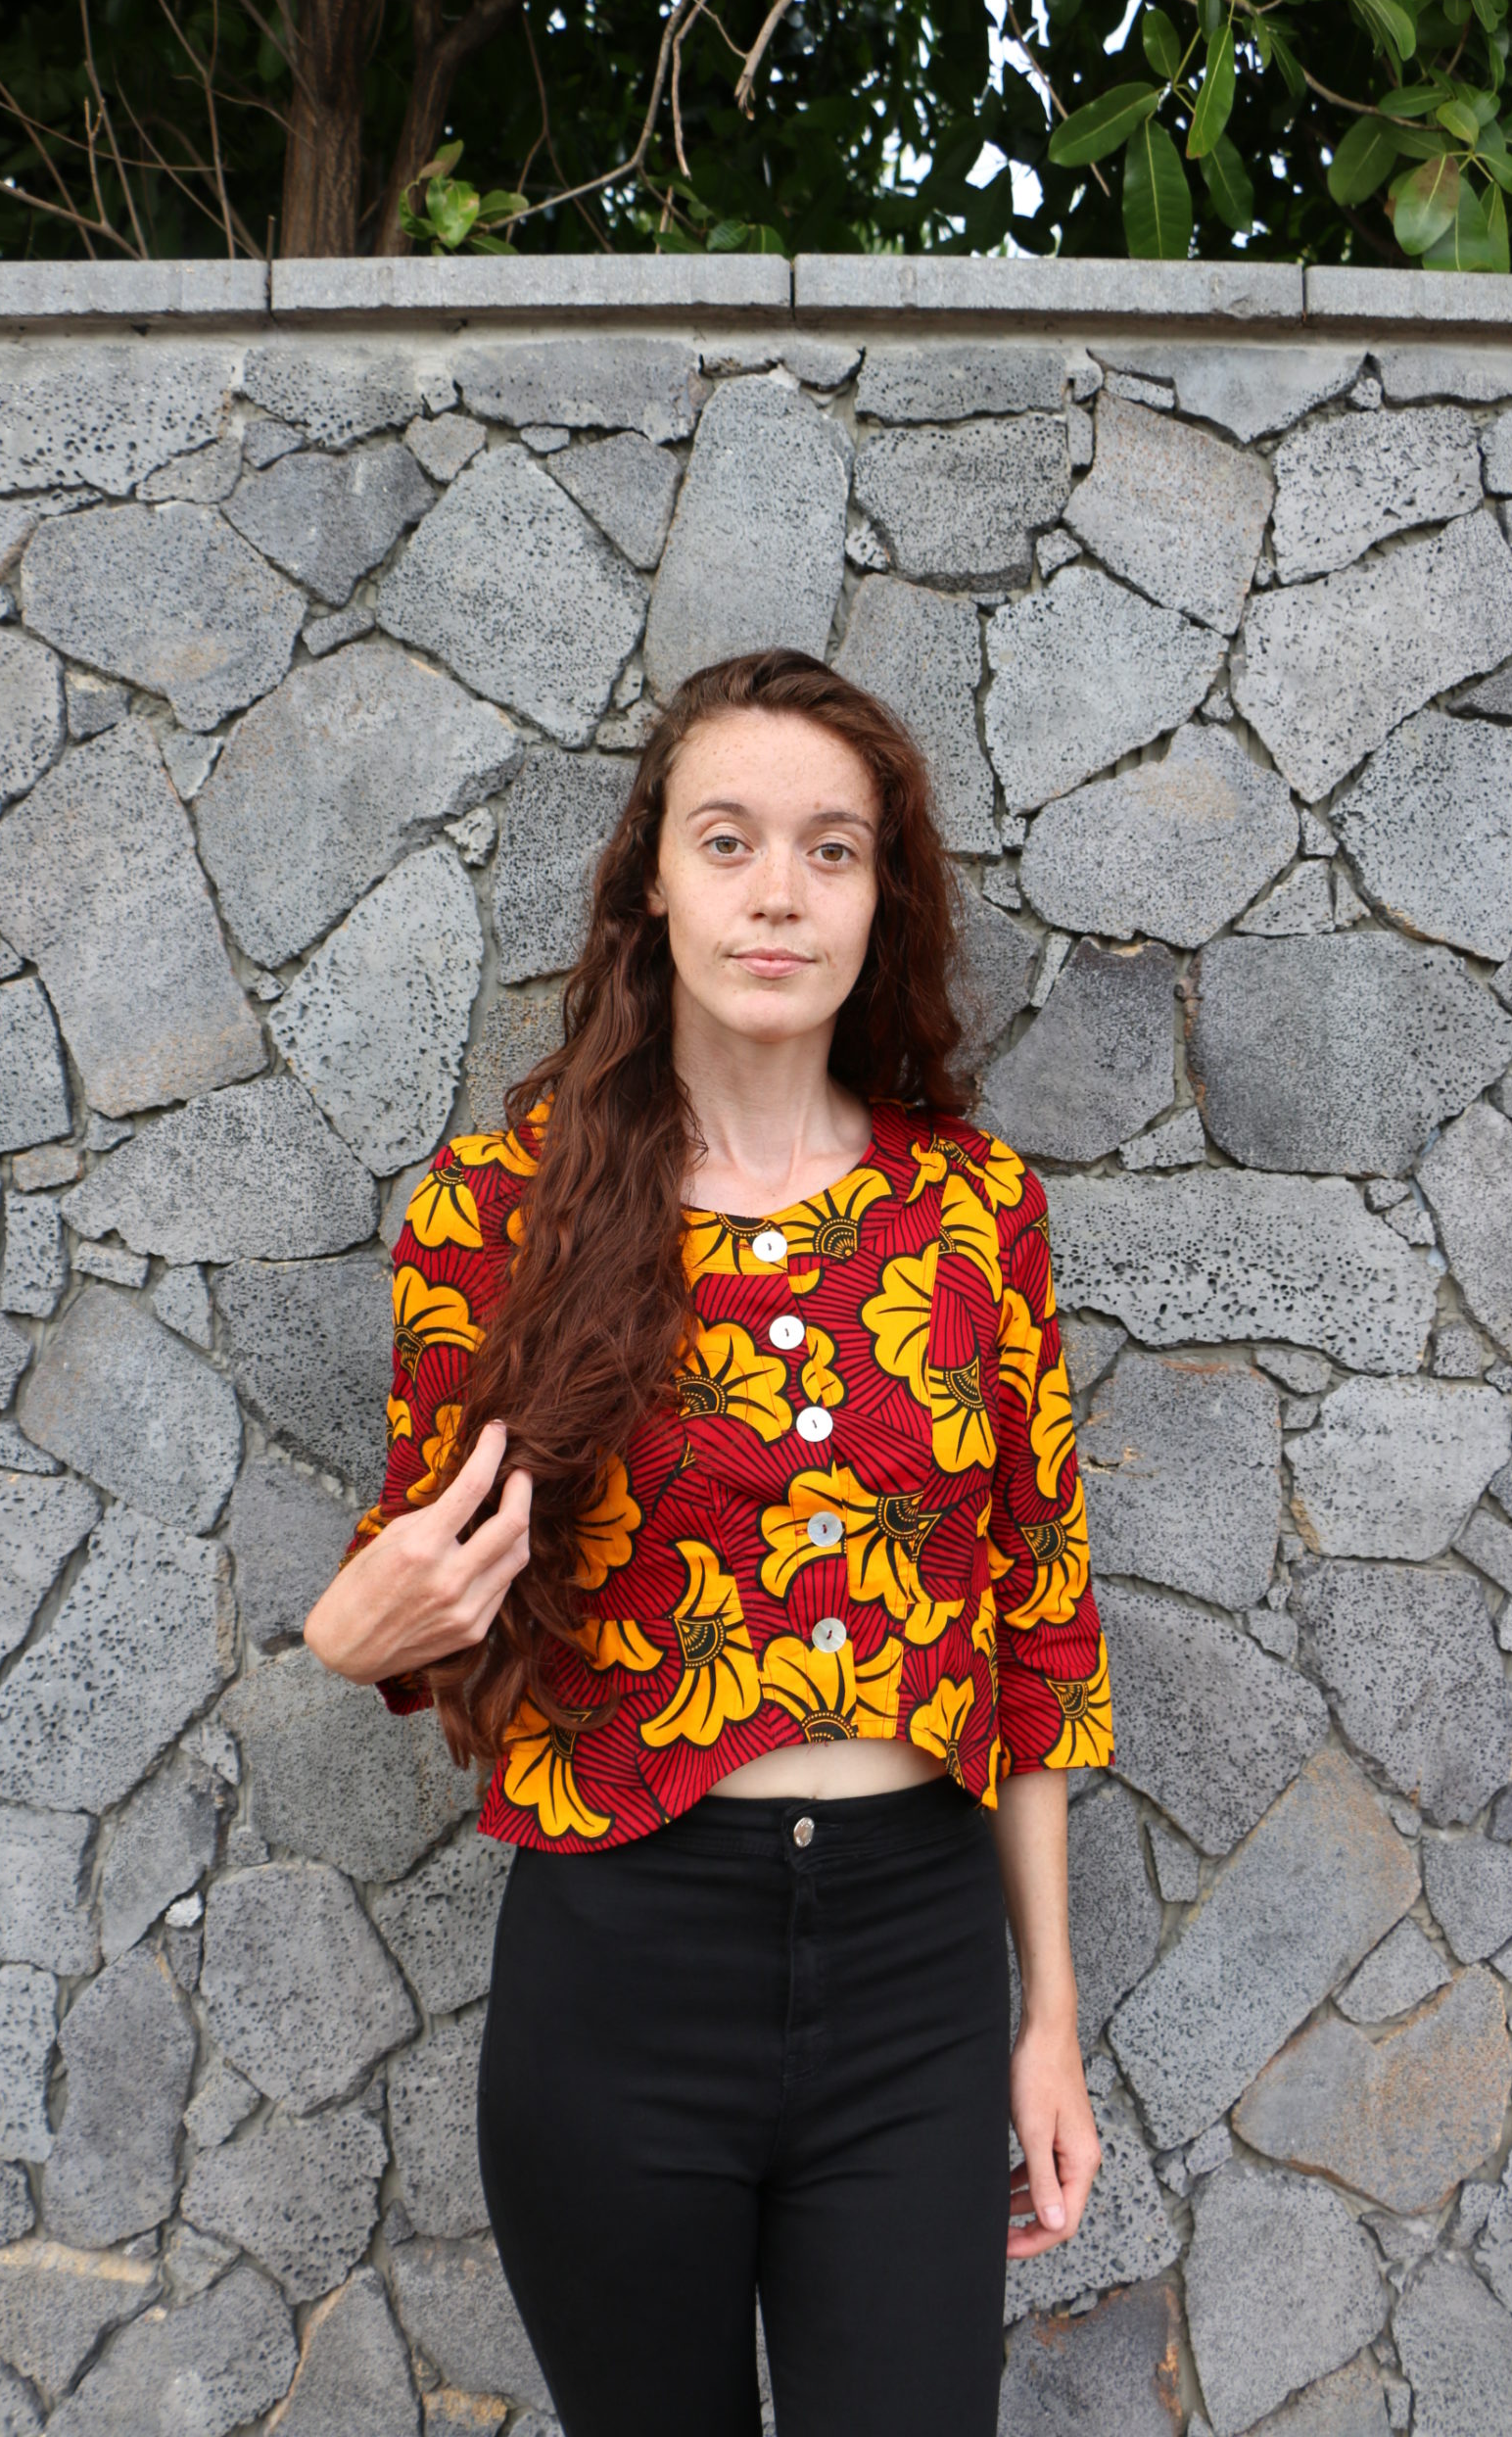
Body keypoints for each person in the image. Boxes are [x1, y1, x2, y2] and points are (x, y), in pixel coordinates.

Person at [305, 646, 1117, 2437]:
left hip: (915, 1969)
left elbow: (1039, 1624)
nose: (778, 894)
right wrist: (349, 1637)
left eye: (833, 851)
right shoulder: (498, 1212)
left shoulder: (976, 1210)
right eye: (728, 840)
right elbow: (416, 1582)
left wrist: (1047, 2015)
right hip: (622, 1972)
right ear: (652, 881)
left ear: (882, 900)